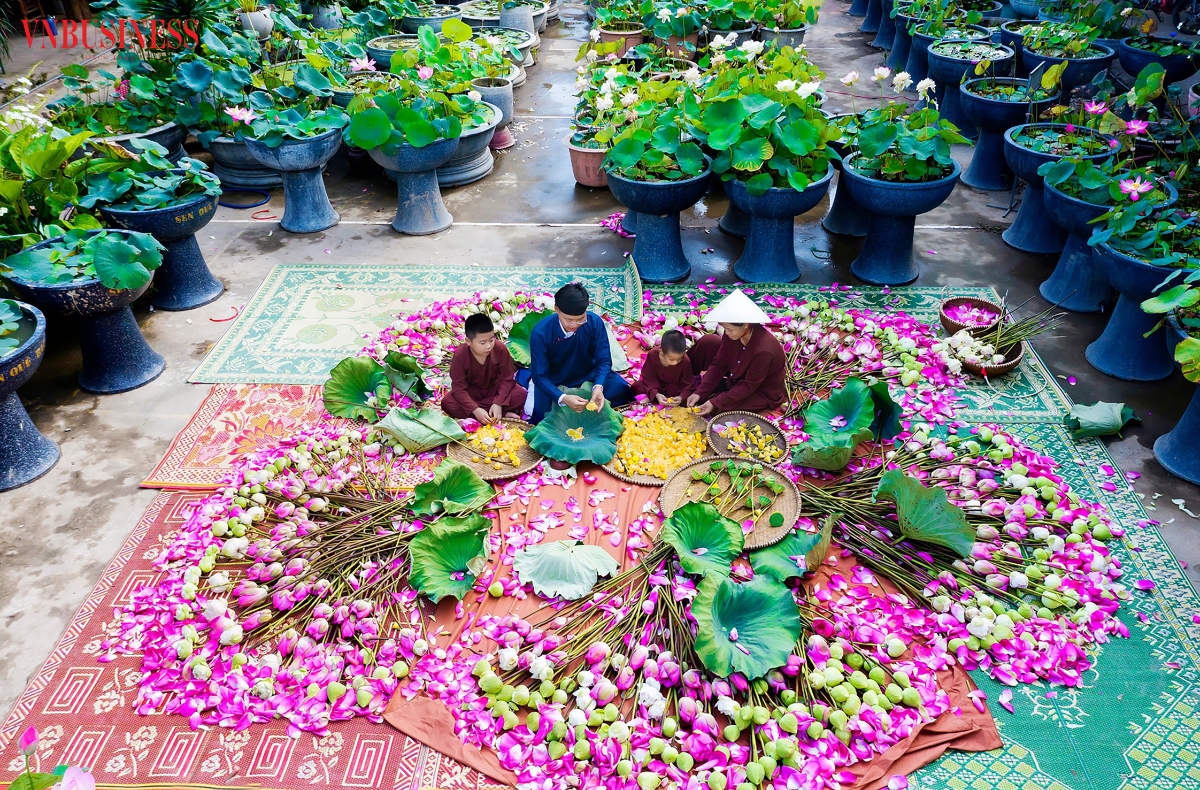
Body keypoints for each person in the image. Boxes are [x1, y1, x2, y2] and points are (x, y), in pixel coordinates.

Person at [526, 282, 632, 423]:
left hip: (587, 375)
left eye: (580, 319)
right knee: (542, 417)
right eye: (569, 320)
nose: (575, 325)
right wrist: (562, 398)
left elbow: (604, 360)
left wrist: (598, 385)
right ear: (556, 309)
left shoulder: (594, 322)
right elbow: (539, 376)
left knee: (621, 388)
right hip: (555, 380)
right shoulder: (541, 332)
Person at [683, 289, 787, 416]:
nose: (726, 333)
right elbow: (719, 364)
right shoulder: (733, 335)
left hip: (758, 390)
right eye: (724, 328)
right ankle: (682, 376)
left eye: (729, 329)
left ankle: (720, 397)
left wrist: (716, 402)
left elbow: (749, 385)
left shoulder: (764, 350)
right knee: (709, 341)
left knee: (722, 409)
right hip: (737, 372)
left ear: (745, 325)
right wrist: (700, 392)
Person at [442, 313, 527, 423]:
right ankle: (499, 414)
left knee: (520, 394)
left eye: (491, 340)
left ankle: (492, 412)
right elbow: (459, 388)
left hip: (495, 390)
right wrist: (475, 409)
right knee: (447, 403)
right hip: (472, 393)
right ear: (468, 341)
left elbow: (507, 379)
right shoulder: (460, 355)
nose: (488, 346)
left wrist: (498, 403)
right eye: (482, 342)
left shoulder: (500, 349)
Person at [633, 329, 693, 405]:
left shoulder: (685, 361)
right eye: (671, 359)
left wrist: (681, 397)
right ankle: (653, 397)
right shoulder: (653, 355)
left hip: (674, 389)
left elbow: (688, 383)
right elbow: (648, 377)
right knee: (636, 386)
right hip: (655, 386)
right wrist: (656, 394)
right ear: (661, 352)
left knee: (688, 395)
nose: (675, 363)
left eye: (679, 359)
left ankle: (653, 399)